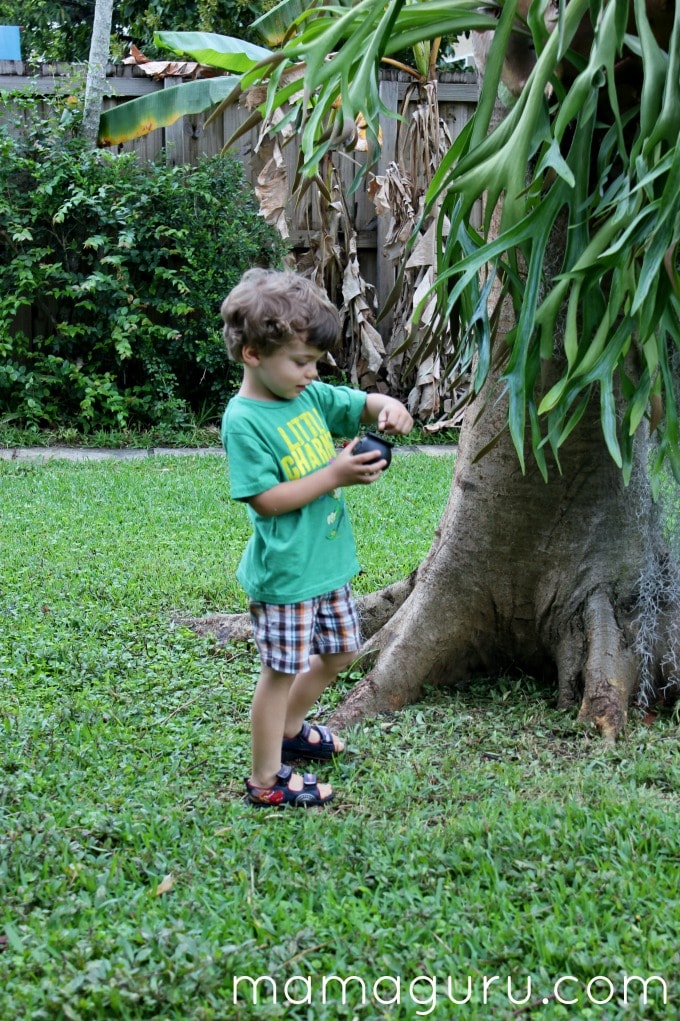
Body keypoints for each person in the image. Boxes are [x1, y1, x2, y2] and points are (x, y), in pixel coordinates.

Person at [221, 268, 413, 807]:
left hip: (327, 565)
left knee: (341, 652)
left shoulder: (307, 396)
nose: (311, 373)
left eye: (315, 363)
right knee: (279, 671)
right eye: (301, 362)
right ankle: (266, 781)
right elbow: (264, 500)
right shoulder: (246, 419)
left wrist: (385, 407)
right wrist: (334, 473)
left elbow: (356, 402)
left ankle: (291, 729)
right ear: (254, 353)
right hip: (286, 573)